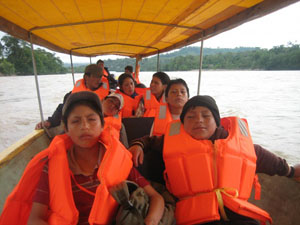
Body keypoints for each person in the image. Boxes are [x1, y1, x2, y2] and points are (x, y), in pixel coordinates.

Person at [128, 95, 300, 225]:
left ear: (216, 121)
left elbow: (266, 159)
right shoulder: (170, 142)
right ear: (183, 123)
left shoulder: (235, 142)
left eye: (206, 115)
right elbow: (149, 141)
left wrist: (290, 171)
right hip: (194, 215)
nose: (199, 121)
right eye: (190, 117)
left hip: (236, 211)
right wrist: (138, 145)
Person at [0, 91, 164, 225]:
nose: (84, 126)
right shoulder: (51, 166)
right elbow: (35, 218)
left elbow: (156, 197)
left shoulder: (118, 160)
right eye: (76, 121)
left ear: (102, 124)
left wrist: (151, 220)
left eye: (91, 120)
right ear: (66, 128)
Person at [35, 64, 109, 130]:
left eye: (100, 77)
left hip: (97, 127)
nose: (99, 80)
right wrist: (50, 122)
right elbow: (63, 108)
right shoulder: (73, 95)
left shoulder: (107, 96)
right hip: (78, 127)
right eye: (95, 77)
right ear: (86, 77)